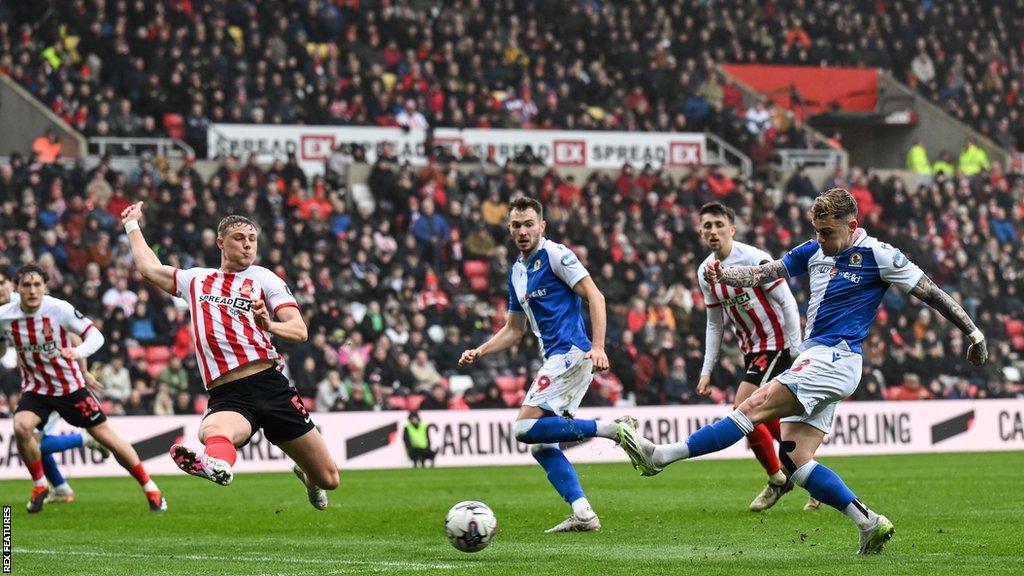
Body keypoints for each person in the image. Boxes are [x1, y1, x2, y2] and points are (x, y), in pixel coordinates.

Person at [617, 188, 988, 554]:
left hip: (835, 357)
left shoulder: (879, 255)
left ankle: (661, 457)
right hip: (820, 359)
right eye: (817, 231)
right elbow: (766, 272)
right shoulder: (813, 250)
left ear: (852, 224)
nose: (821, 239)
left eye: (828, 232)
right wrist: (725, 276)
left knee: (750, 407)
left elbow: (932, 292)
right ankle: (868, 521)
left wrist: (974, 333)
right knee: (794, 460)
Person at [121, 203, 340, 510]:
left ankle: (307, 477)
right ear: (220, 242)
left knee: (329, 478)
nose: (248, 243)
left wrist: (269, 325)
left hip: (269, 384)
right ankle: (216, 466)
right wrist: (132, 225)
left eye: (252, 238)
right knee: (210, 431)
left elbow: (299, 331)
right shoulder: (196, 280)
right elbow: (149, 269)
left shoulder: (264, 278)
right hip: (227, 392)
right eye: (239, 237)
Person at [459, 196, 632, 533]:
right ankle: (583, 513)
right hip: (555, 356)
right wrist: (481, 350)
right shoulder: (517, 272)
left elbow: (595, 296)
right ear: (509, 229)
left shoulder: (556, 254)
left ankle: (610, 429)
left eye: (528, 224)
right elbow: (514, 329)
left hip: (570, 353)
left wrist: (598, 346)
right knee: (542, 445)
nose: (522, 231)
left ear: (542, 226)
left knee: (523, 429)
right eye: (516, 225)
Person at [1, 263, 166, 513]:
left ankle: (150, 487)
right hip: (36, 390)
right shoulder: (6, 316)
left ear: (45, 287)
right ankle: (40, 485)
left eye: (37, 285)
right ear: (17, 288)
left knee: (107, 437)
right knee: (21, 427)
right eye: (27, 285)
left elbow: (95, 336)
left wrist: (77, 353)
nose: (32, 290)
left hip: (70, 388)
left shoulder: (59, 309)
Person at [695, 202, 803, 512]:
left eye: (718, 224)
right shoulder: (706, 272)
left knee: (742, 410)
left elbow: (788, 303)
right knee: (765, 418)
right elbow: (714, 324)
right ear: (700, 232)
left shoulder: (755, 259)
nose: (712, 230)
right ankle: (807, 468)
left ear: (732, 228)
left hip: (778, 345)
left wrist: (795, 350)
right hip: (751, 351)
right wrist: (706, 371)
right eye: (707, 226)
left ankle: (778, 480)